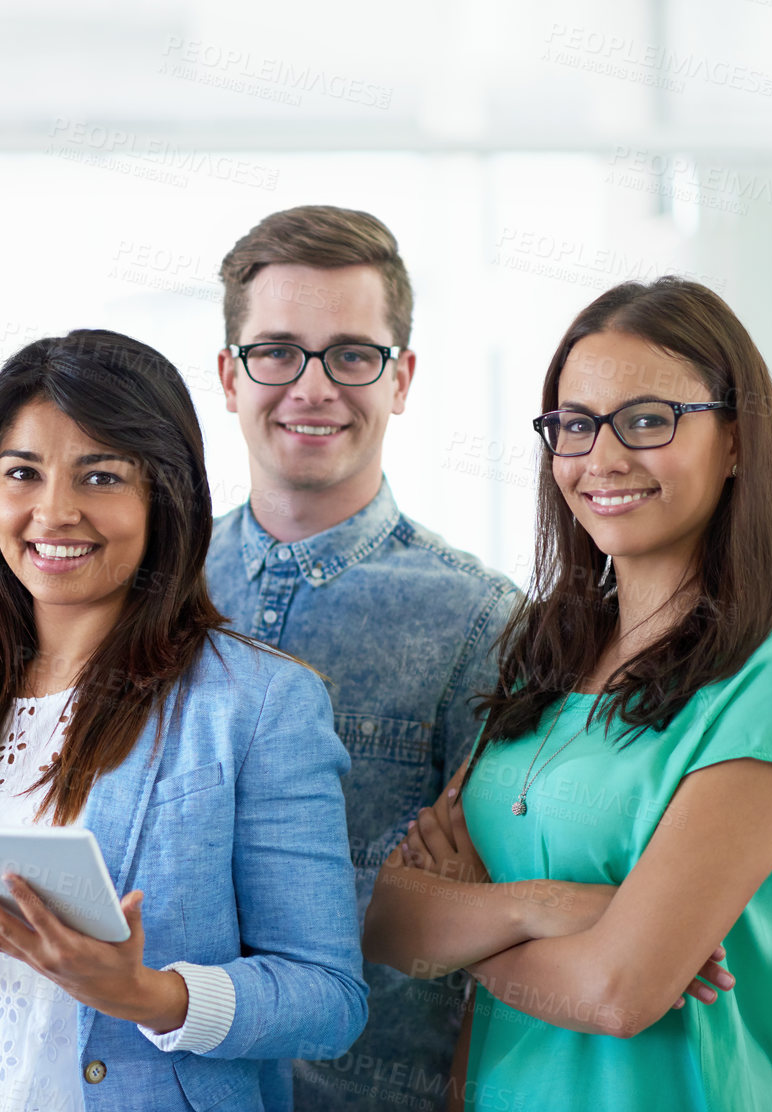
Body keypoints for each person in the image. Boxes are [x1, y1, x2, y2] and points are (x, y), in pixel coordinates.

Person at [0, 329, 368, 1111]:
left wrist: (147, 994)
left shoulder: (257, 704)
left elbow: (327, 1000)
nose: (54, 512)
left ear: (164, 497)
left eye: (100, 476)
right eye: (23, 474)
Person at [363, 277, 772, 1110]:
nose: (603, 457)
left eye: (647, 420)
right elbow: (391, 923)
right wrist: (553, 907)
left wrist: (469, 926)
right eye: (575, 425)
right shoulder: (544, 655)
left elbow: (617, 993)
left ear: (736, 439)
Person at [203, 205, 517, 1110]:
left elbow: (492, 925)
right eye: (277, 352)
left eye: (351, 353)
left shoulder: (481, 621)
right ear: (230, 375)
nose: (312, 387)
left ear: (401, 377)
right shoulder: (148, 588)